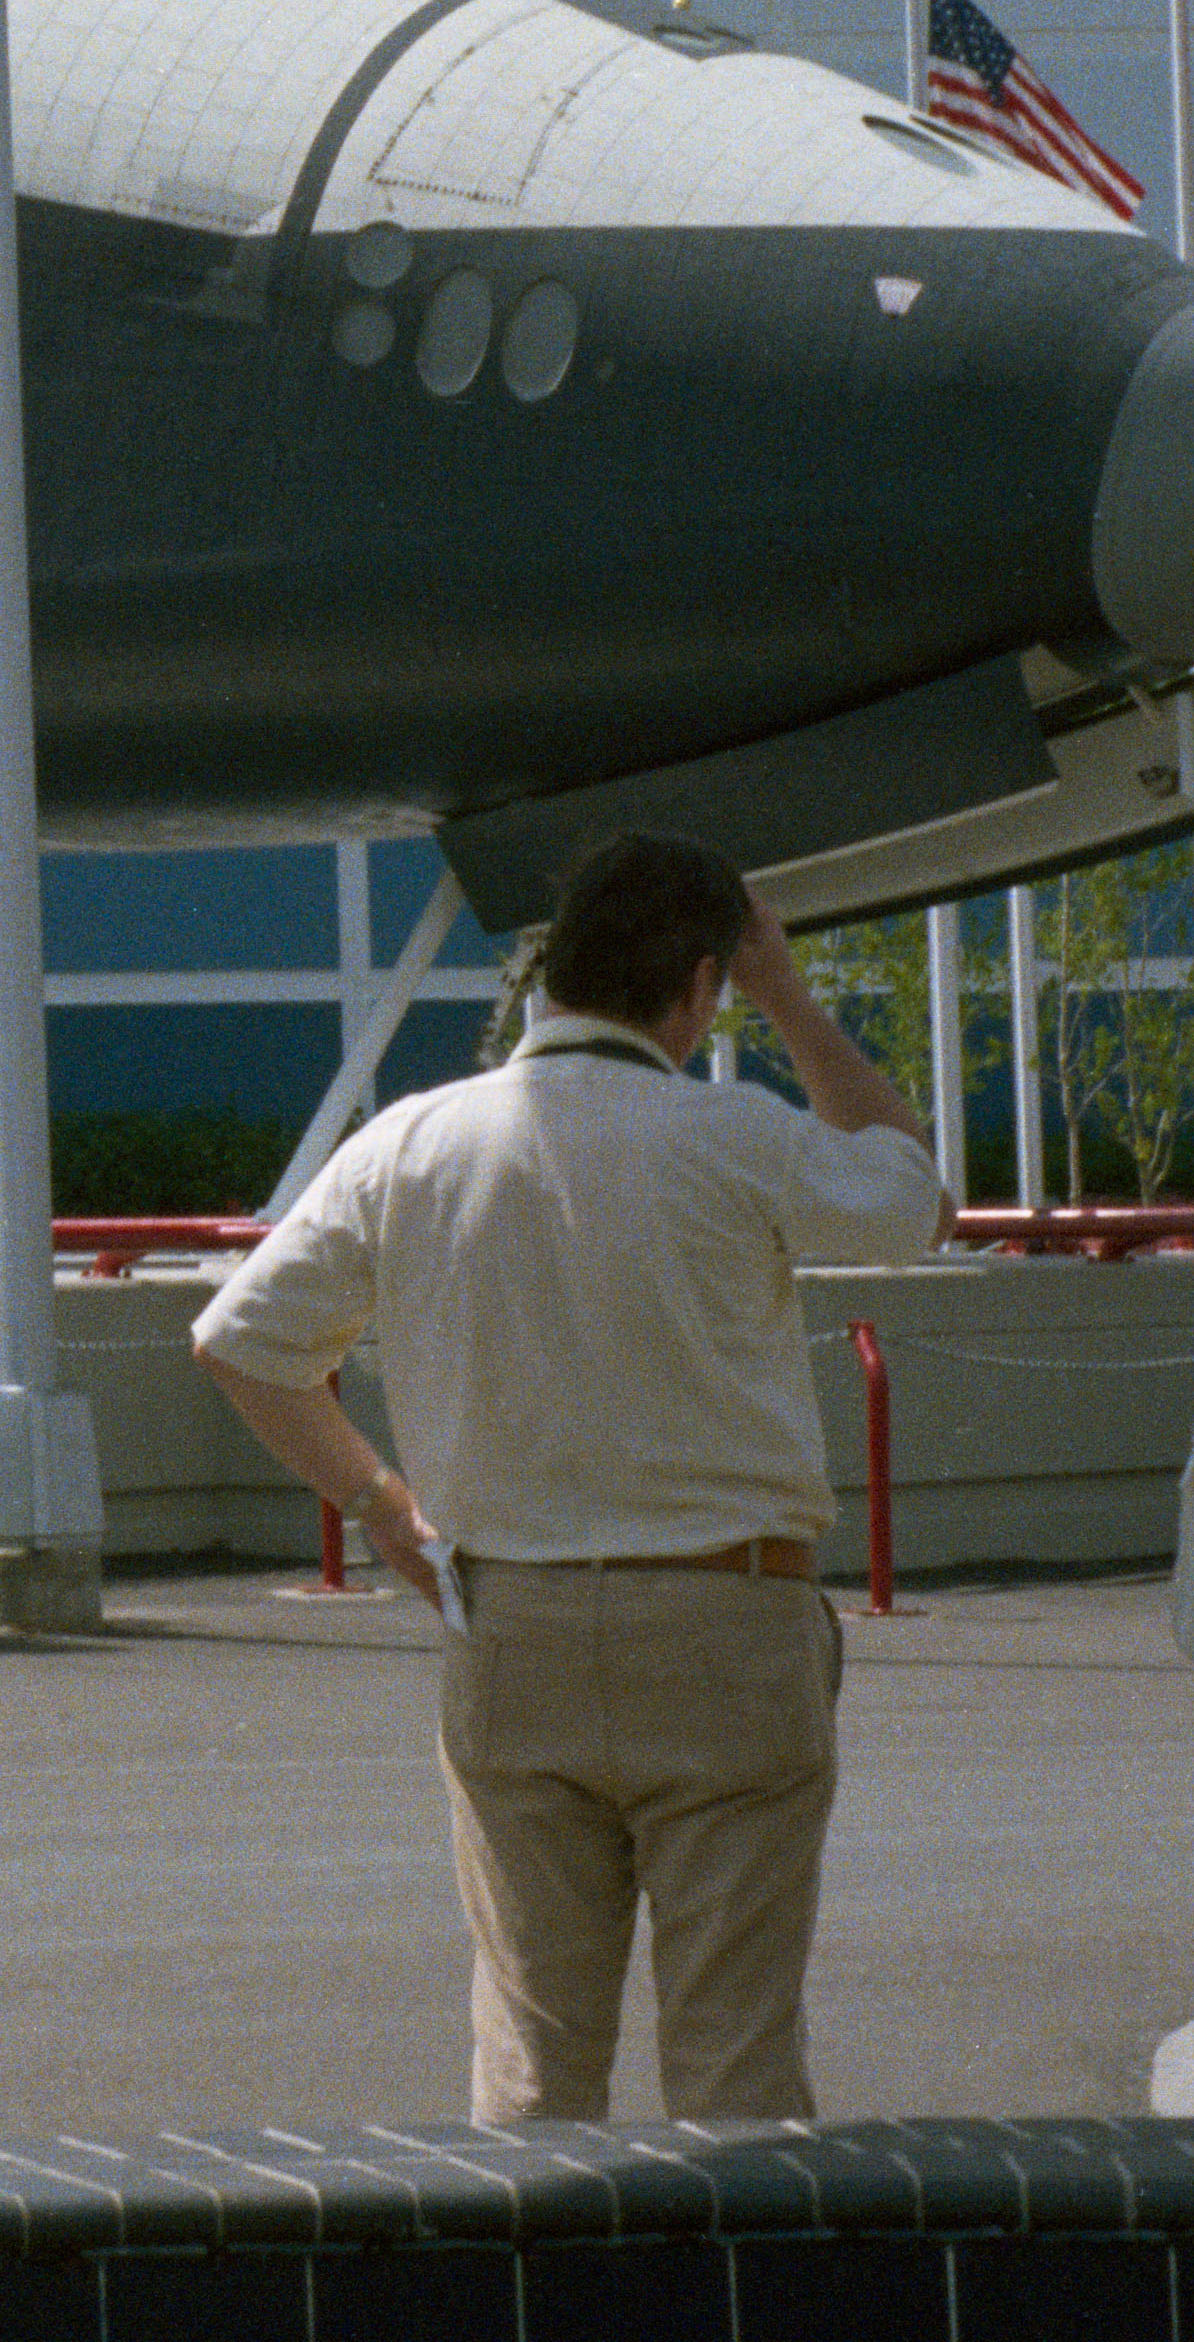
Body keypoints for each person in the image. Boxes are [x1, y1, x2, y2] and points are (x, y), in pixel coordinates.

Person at [190, 829, 948, 2122]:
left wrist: (377, 1505)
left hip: (510, 1620)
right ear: (701, 982)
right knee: (733, 2063)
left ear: (552, 969)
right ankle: (718, 2321)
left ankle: (531, 2318)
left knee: (532, 2062)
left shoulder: (411, 1143)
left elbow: (239, 1341)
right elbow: (907, 1191)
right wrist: (789, 997)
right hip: (726, 1621)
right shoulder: (732, 1137)